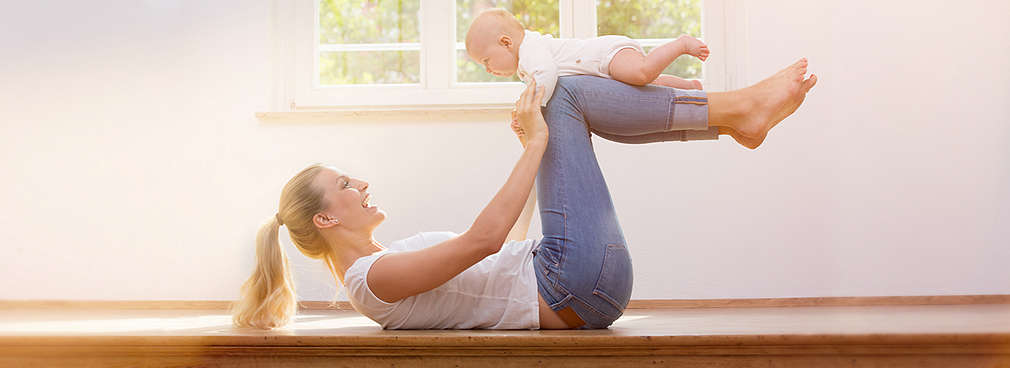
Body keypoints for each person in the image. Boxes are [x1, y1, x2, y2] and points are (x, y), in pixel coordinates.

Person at [231, 59, 817, 330]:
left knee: (558, 94)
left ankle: (734, 117)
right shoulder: (372, 281)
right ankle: (735, 112)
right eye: (345, 184)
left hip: (570, 279)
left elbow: (502, 246)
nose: (361, 184)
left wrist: (528, 146)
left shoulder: (388, 262)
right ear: (328, 218)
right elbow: (485, 241)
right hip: (571, 283)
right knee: (557, 92)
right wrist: (537, 143)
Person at [465, 8, 709, 100]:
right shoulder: (525, 63)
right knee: (651, 84)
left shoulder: (530, 48)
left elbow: (546, 75)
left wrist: (531, 106)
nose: (488, 69)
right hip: (605, 67)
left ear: (506, 42)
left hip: (606, 55)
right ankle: (692, 87)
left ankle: (681, 44)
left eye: (486, 60)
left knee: (642, 72)